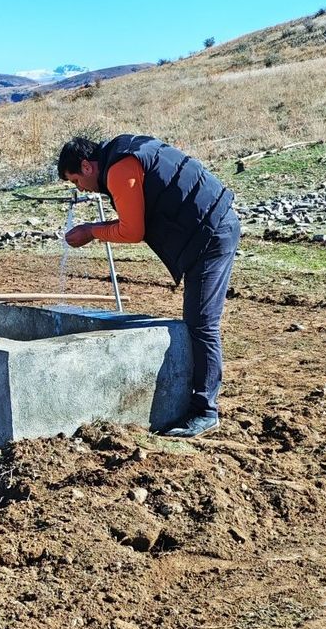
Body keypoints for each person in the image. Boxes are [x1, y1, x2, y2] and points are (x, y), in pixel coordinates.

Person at [57, 134, 240, 438]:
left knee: (201, 323)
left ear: (88, 166)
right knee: (198, 320)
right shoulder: (125, 152)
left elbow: (132, 230)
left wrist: (91, 231)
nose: (80, 189)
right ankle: (201, 401)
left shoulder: (120, 168)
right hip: (209, 226)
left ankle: (205, 411)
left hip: (211, 232)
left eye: (76, 180)